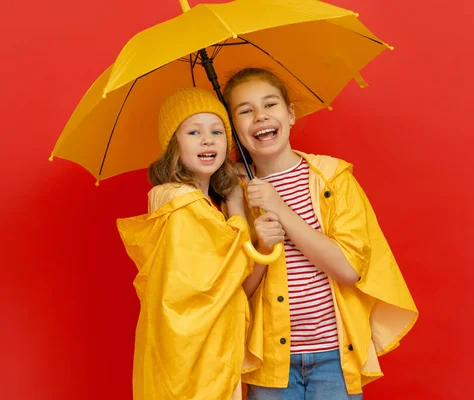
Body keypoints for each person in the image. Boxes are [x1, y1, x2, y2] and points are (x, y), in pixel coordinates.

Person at [223, 68, 419, 399]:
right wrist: (261, 247)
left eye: (270, 105)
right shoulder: (236, 194)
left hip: (334, 361)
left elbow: (348, 269)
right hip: (270, 363)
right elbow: (237, 291)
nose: (260, 117)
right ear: (233, 130)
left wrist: (280, 209)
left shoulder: (333, 179)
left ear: (290, 113)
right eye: (245, 110)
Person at [116, 87, 259, 400]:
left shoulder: (198, 204)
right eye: (194, 131)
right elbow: (231, 268)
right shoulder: (183, 203)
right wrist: (237, 204)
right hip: (195, 355)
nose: (207, 139)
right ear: (174, 147)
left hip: (193, 348)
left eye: (217, 131)